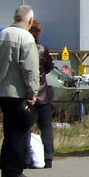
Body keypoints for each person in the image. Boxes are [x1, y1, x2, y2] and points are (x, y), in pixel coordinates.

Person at [0, 5, 40, 177]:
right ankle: (15, 171)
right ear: (30, 21)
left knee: (9, 130)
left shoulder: (1, 35)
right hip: (19, 91)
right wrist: (33, 91)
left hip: (3, 90)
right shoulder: (26, 38)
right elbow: (30, 68)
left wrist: (0, 78)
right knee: (20, 131)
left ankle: (6, 168)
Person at [28, 19, 55, 169]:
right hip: (43, 93)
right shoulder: (42, 49)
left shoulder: (23, 48)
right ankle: (48, 157)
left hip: (26, 94)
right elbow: (49, 67)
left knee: (26, 127)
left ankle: (27, 158)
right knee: (46, 126)